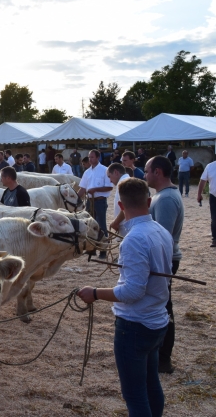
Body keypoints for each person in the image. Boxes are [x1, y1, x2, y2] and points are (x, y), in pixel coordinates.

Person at [77, 178, 172, 417]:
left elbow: (132, 292)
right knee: (151, 385)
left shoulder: (135, 239)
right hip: (157, 320)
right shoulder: (161, 231)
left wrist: (95, 293)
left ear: (120, 205)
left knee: (135, 395)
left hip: (135, 325)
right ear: (149, 202)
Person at [144, 156, 184, 374]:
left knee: (163, 307)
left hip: (164, 261)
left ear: (157, 172)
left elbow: (163, 238)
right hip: (161, 260)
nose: (144, 174)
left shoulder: (167, 199)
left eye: (147, 170)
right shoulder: (162, 196)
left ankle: (163, 358)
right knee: (160, 305)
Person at [77, 149, 113, 259]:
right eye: (89, 157)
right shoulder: (87, 172)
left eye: (92, 157)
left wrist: (95, 189)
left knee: (101, 225)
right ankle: (91, 249)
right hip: (89, 201)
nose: (90, 159)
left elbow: (110, 187)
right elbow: (82, 188)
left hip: (100, 201)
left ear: (98, 157)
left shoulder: (105, 170)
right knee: (89, 225)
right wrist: (76, 200)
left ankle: (103, 250)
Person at [107, 163, 130, 234]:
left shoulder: (124, 183)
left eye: (109, 176)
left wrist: (115, 222)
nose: (110, 180)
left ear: (116, 172)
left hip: (126, 227)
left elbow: (126, 206)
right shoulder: (126, 181)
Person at [198, 160, 216, 247]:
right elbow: (203, 180)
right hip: (214, 196)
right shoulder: (210, 166)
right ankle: (215, 239)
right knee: (214, 218)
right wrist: (199, 194)